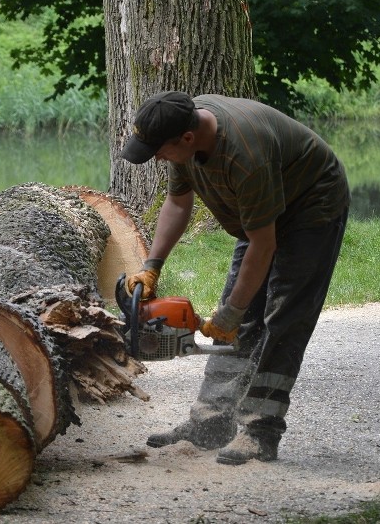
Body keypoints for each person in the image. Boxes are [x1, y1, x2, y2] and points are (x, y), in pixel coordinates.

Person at [122, 91, 350, 465]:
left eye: (159, 151)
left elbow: (264, 244)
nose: (157, 158)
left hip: (311, 207)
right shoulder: (182, 128)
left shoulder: (246, 155)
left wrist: (233, 312)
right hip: (260, 217)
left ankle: (260, 431)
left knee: (281, 319)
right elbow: (178, 203)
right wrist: (152, 265)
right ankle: (210, 423)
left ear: (188, 139)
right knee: (236, 318)